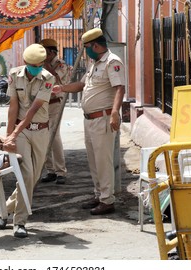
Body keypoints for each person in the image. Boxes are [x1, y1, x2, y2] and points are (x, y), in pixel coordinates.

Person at [52, 28, 125, 215]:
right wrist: (62, 88)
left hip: (104, 118)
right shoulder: (95, 63)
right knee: (93, 161)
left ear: (96, 45)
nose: (86, 51)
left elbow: (119, 89)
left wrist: (115, 112)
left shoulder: (112, 62)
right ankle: (99, 194)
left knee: (103, 161)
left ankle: (107, 200)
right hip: (90, 119)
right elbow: (82, 85)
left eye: (87, 47)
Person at [0, 44, 55, 238]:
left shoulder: (48, 78)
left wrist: (14, 133)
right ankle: (19, 222)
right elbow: (14, 106)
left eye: (39, 64)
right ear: (25, 63)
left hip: (40, 131)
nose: (36, 68)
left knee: (33, 177)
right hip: (21, 132)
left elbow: (34, 109)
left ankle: (5, 209)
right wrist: (9, 137)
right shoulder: (14, 74)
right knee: (27, 175)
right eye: (32, 65)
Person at [39, 38, 71, 185]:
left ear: (51, 52)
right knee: (44, 136)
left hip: (55, 103)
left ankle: (60, 171)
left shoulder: (61, 64)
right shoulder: (39, 65)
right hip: (42, 104)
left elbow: (56, 80)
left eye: (44, 52)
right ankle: (50, 170)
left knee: (54, 136)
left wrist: (45, 65)